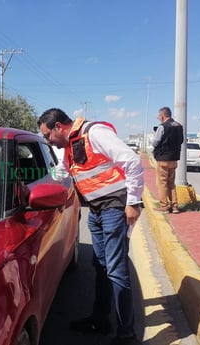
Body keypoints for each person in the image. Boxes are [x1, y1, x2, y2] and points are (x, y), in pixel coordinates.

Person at [38, 108, 144, 345]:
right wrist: (34, 186)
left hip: (115, 208)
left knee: (116, 270)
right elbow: (61, 174)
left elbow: (133, 161)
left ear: (58, 127)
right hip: (97, 211)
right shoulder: (68, 147)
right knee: (101, 265)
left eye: (47, 135)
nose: (47, 140)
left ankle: (127, 335)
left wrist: (134, 202)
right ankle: (100, 320)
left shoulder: (94, 133)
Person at [151, 106, 183, 214]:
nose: (158, 118)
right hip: (174, 159)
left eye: (158, 116)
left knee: (162, 183)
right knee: (171, 183)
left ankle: (164, 206)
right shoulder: (179, 126)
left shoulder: (162, 127)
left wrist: (153, 137)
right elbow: (181, 141)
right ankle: (175, 206)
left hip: (163, 158)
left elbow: (155, 142)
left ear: (162, 116)